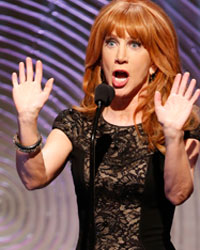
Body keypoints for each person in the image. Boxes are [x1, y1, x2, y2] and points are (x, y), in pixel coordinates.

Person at [12, 0, 200, 249]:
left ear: (154, 61)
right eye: (111, 43)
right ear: (101, 55)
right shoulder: (78, 122)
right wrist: (27, 120)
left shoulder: (178, 121)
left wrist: (173, 135)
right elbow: (34, 178)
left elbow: (177, 193)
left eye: (135, 44)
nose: (120, 56)